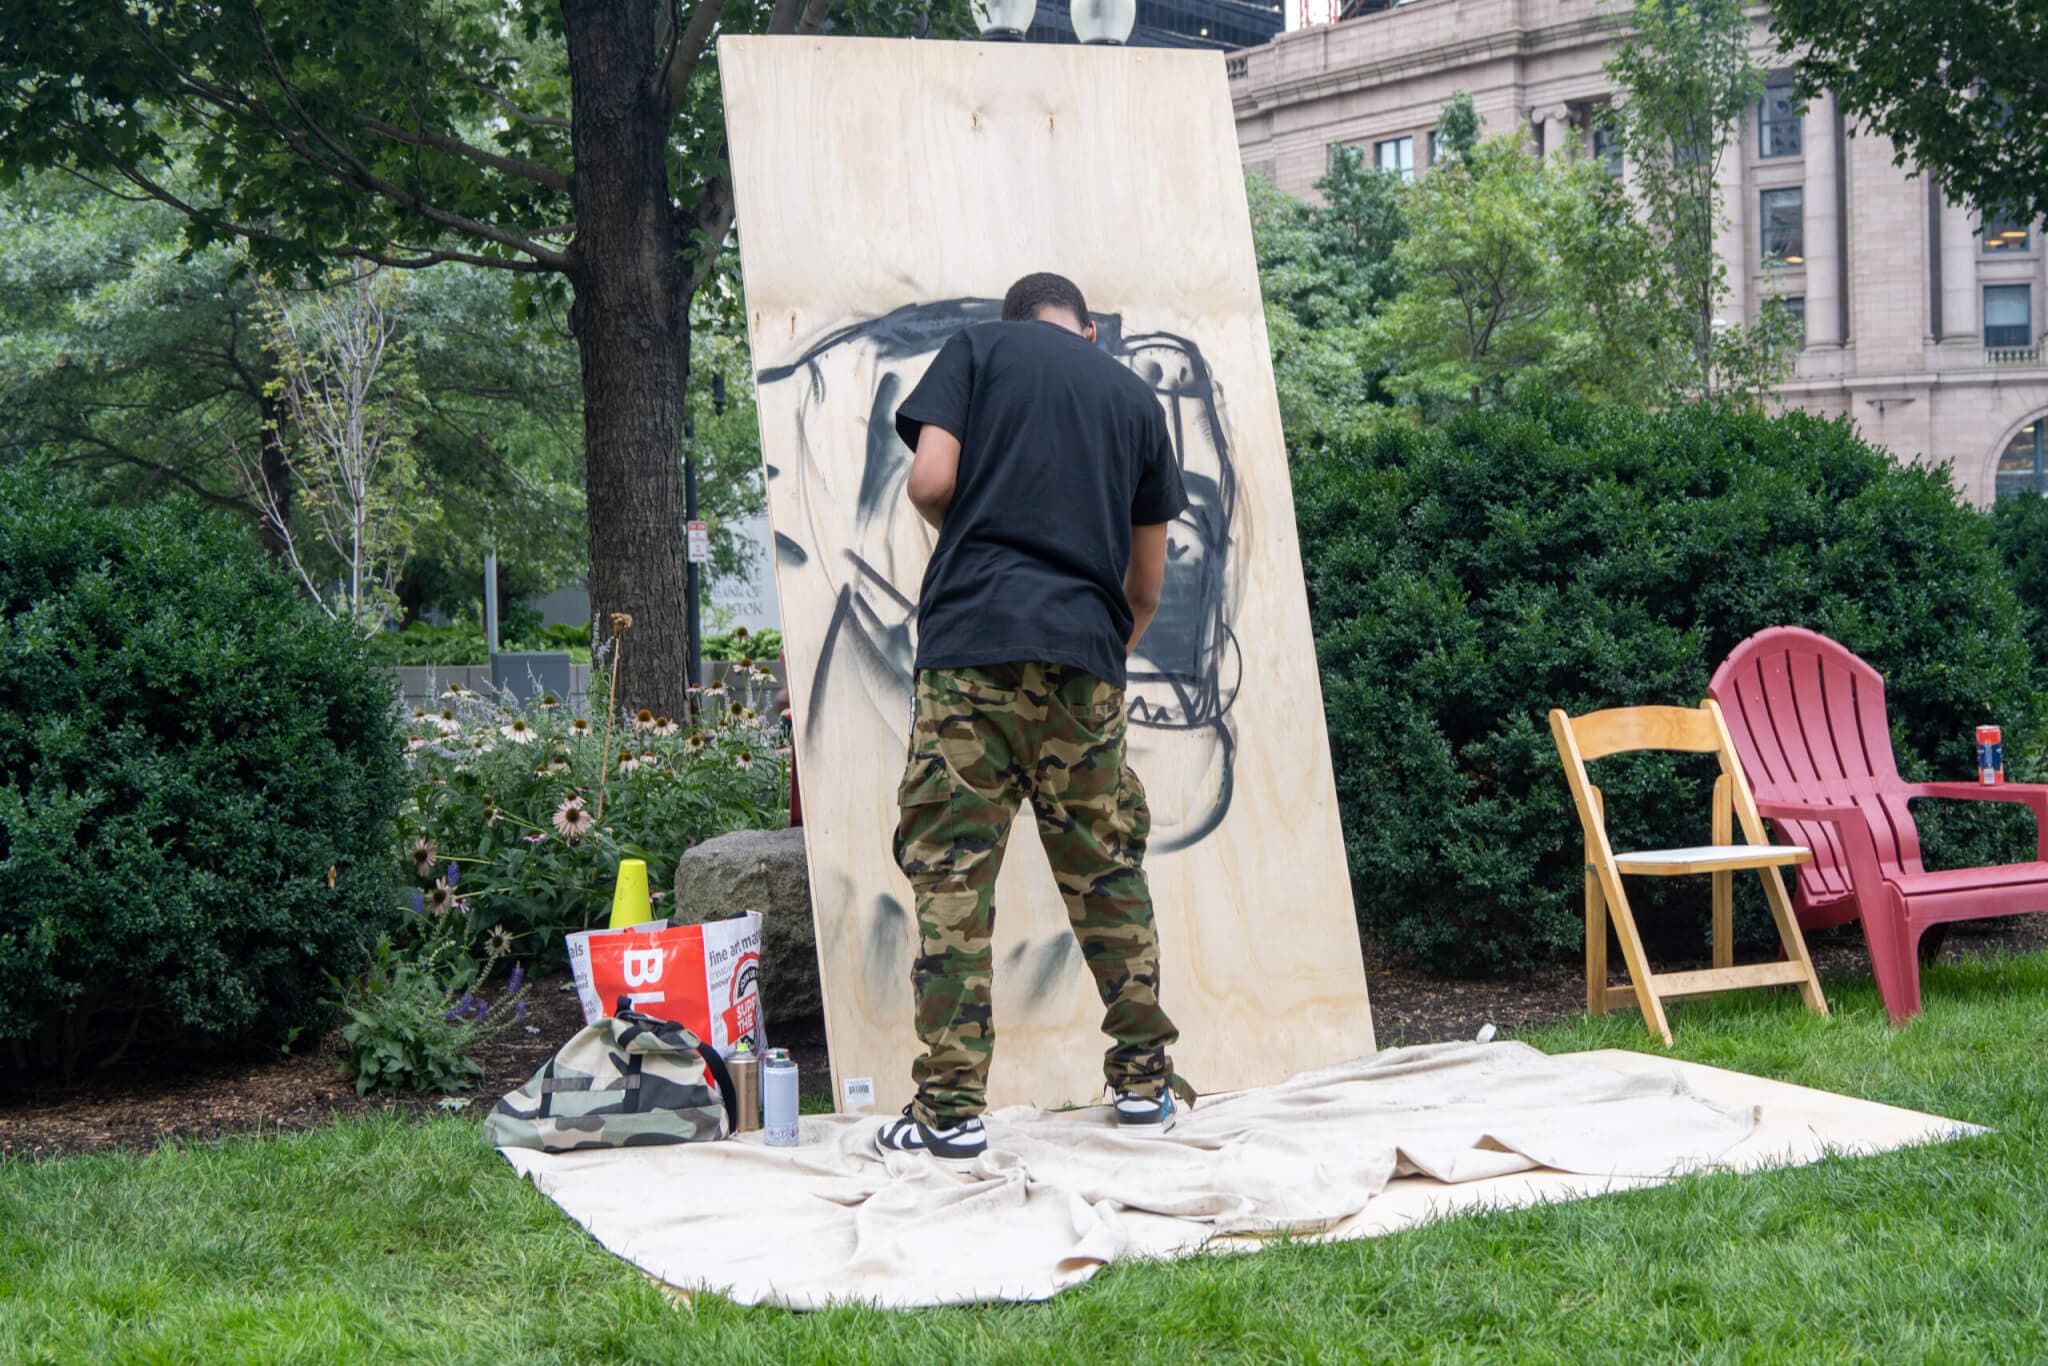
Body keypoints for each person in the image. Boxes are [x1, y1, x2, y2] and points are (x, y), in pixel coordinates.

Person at [873, 272, 1191, 1162]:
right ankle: (1142, 1087)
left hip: (972, 646)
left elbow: (930, 480)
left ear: (1013, 322)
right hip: (1084, 660)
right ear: (1087, 331)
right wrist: (1097, 645)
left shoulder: (977, 350)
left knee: (952, 879)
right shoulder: (1132, 398)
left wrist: (977, 541)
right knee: (1105, 872)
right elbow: (1147, 583)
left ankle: (949, 1113)